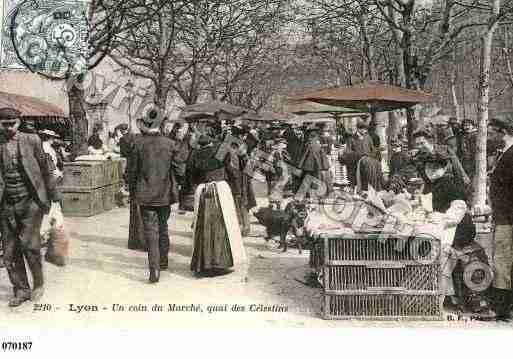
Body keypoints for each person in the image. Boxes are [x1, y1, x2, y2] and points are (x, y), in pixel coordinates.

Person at [419, 151, 493, 317]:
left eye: (436, 167)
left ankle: (450, 296)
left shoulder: (451, 184)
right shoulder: (429, 185)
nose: (431, 170)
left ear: (445, 167)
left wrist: (439, 218)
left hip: (458, 230)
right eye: (428, 167)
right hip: (442, 228)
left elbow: (457, 212)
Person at [0, 108, 61, 306]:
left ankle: (38, 284)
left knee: (30, 246)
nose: (8, 128)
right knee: (9, 251)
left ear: (19, 122)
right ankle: (21, 290)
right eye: (4, 124)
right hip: (6, 202)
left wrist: (54, 196)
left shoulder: (32, 140)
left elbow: (46, 169)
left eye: (12, 123)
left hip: (30, 201)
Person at [128, 110, 180, 283]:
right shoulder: (170, 144)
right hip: (164, 194)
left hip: (145, 194)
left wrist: (131, 188)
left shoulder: (137, 143)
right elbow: (180, 169)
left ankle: (154, 270)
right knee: (163, 226)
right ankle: (163, 261)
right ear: (160, 123)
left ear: (146, 123)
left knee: (151, 231)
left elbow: (131, 171)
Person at [186, 127, 239, 276]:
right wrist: (236, 190)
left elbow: (191, 177)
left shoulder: (194, 154)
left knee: (202, 225)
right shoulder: (222, 151)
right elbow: (231, 172)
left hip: (203, 190)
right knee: (222, 223)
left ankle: (203, 263)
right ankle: (220, 262)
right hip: (221, 189)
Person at [488, 116, 513, 320]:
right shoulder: (502, 154)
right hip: (502, 216)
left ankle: (503, 308)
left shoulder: (511, 155)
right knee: (502, 262)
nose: (488, 137)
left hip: (508, 219)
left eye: (491, 133)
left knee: (502, 262)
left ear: (502, 132)